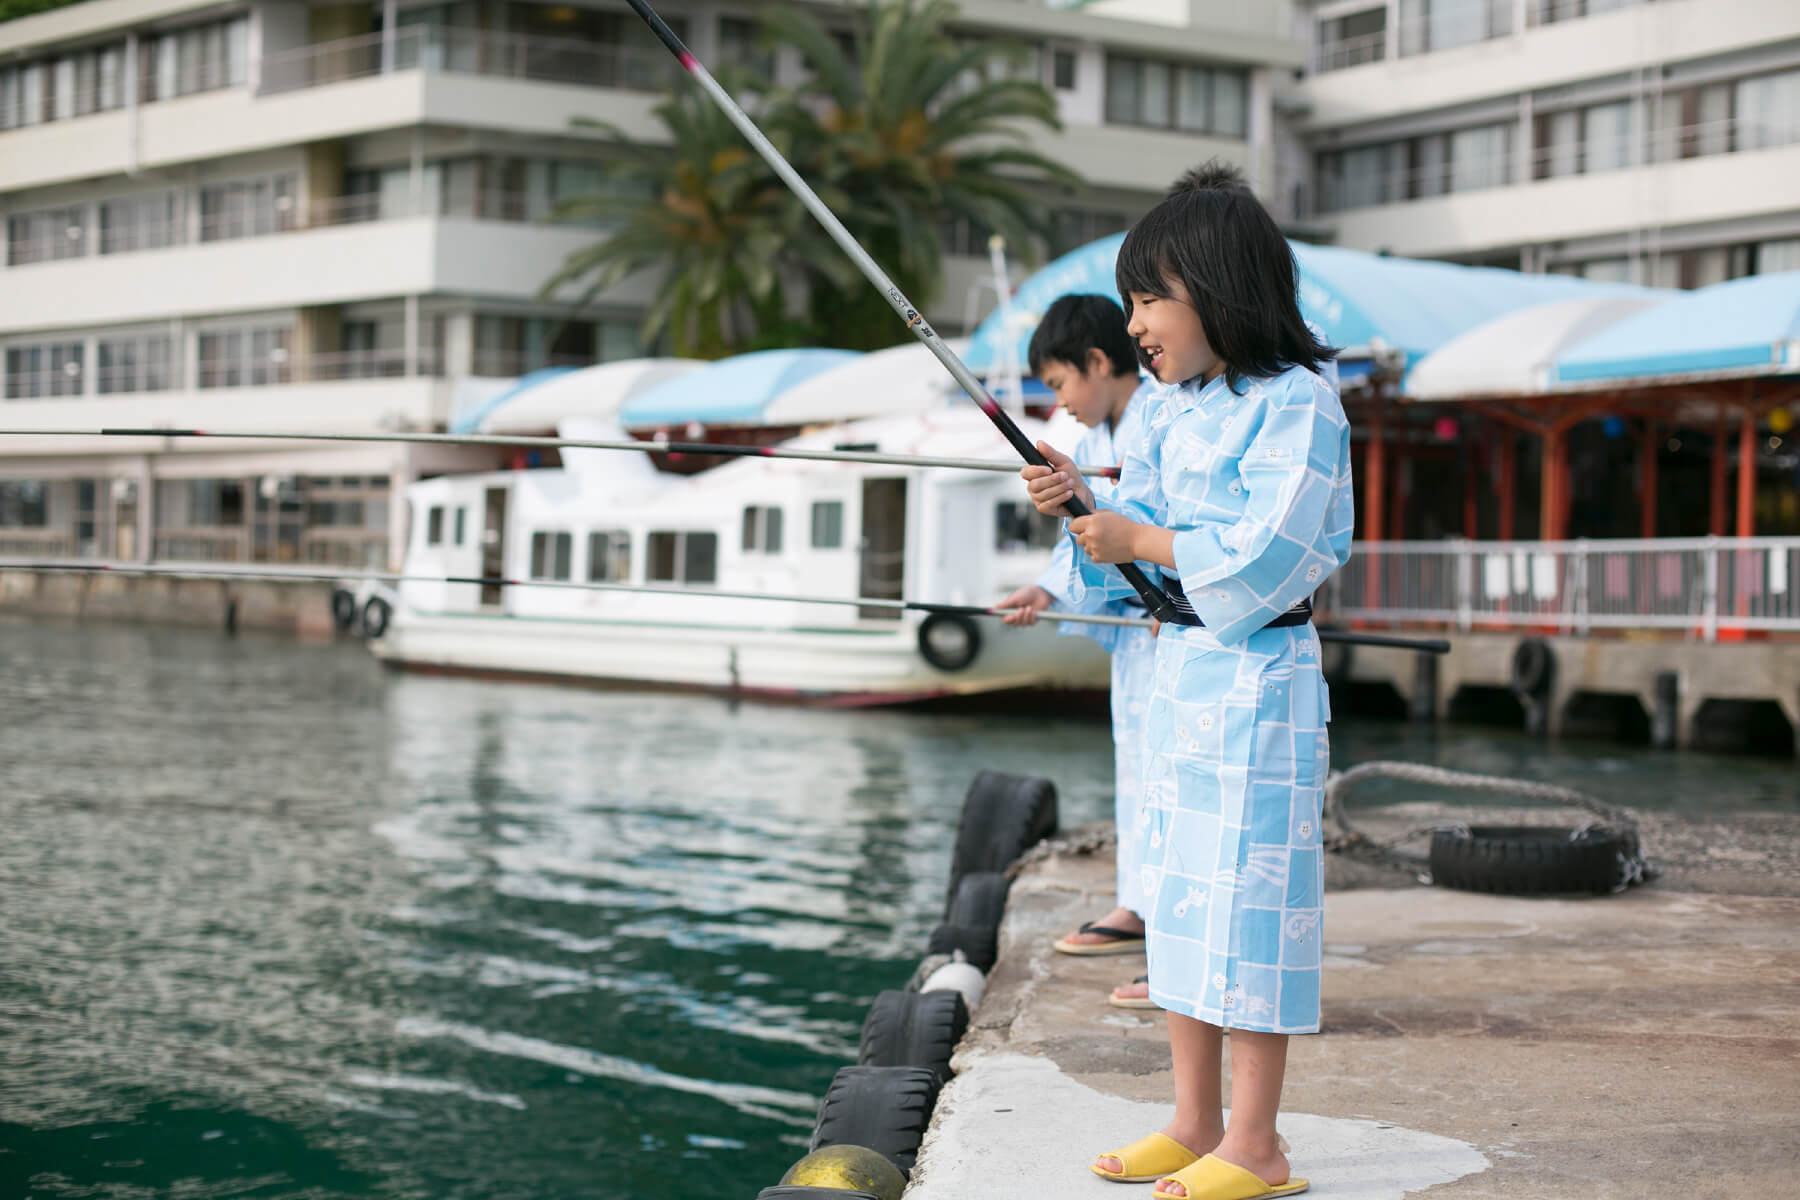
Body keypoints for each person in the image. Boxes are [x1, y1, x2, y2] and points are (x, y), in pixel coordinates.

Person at [1022, 160, 1353, 1200]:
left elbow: (1274, 553)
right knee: (1174, 896)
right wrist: (1082, 515)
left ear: (1223, 287)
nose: (1138, 326)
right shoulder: (1163, 411)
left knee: (1249, 907)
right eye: (1130, 304)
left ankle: (1257, 1144)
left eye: (1151, 298)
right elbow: (1125, 579)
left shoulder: (1299, 402)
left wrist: (1143, 535)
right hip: (1180, 683)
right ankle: (1193, 1118)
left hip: (1259, 688)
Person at [996, 295, 1158, 1007]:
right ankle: (1139, 904)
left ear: (1097, 363)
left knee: (1181, 786)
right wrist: (1046, 591)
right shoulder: (1093, 438)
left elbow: (1153, 526)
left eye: (1061, 384)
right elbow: (1085, 535)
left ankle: (1178, 942)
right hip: (1139, 641)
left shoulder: (1161, 417)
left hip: (1178, 627)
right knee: (1138, 769)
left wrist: (1172, 598)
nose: (1062, 402)